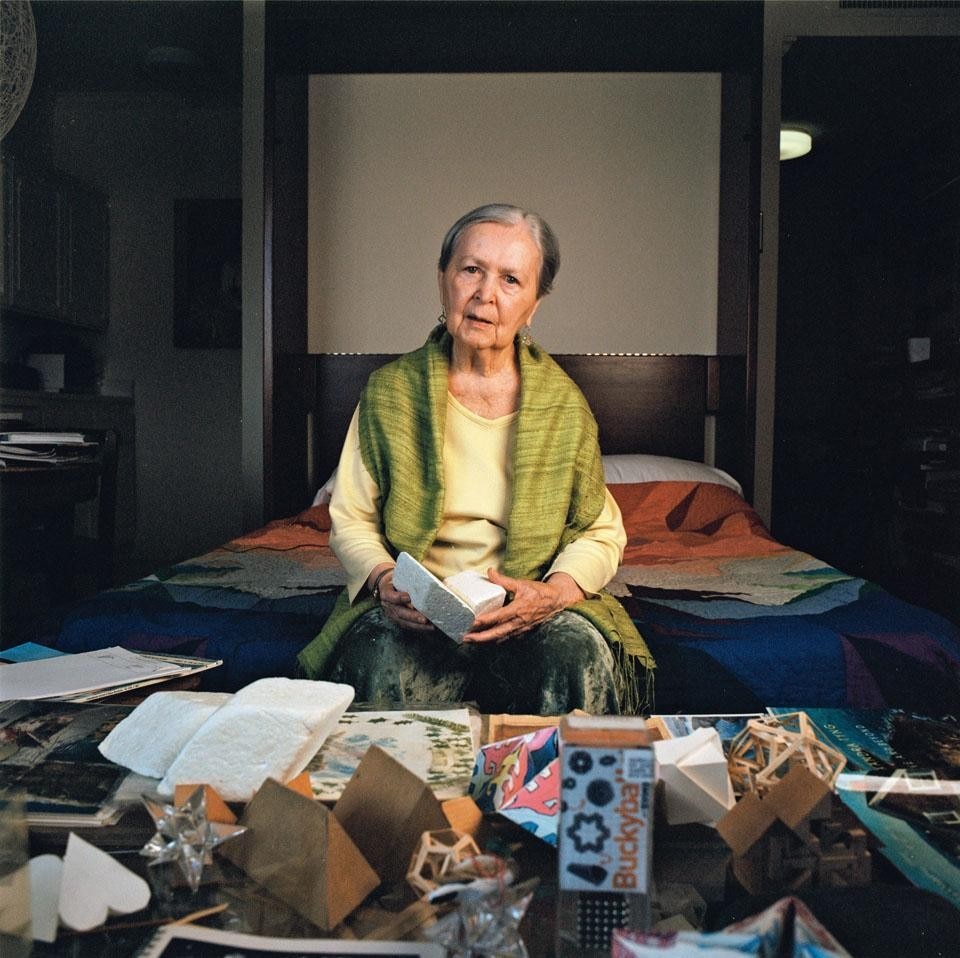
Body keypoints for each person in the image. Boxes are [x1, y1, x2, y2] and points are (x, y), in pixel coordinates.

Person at [297, 204, 653, 714]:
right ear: (444, 280)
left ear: (533, 305)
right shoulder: (390, 393)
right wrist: (382, 578)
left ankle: (551, 794)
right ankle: (389, 797)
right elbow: (351, 516)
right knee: (374, 659)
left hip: (523, 608)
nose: (486, 294)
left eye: (511, 280)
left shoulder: (562, 403)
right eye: (471, 270)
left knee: (577, 654)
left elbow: (599, 531)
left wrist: (552, 594)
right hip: (417, 609)